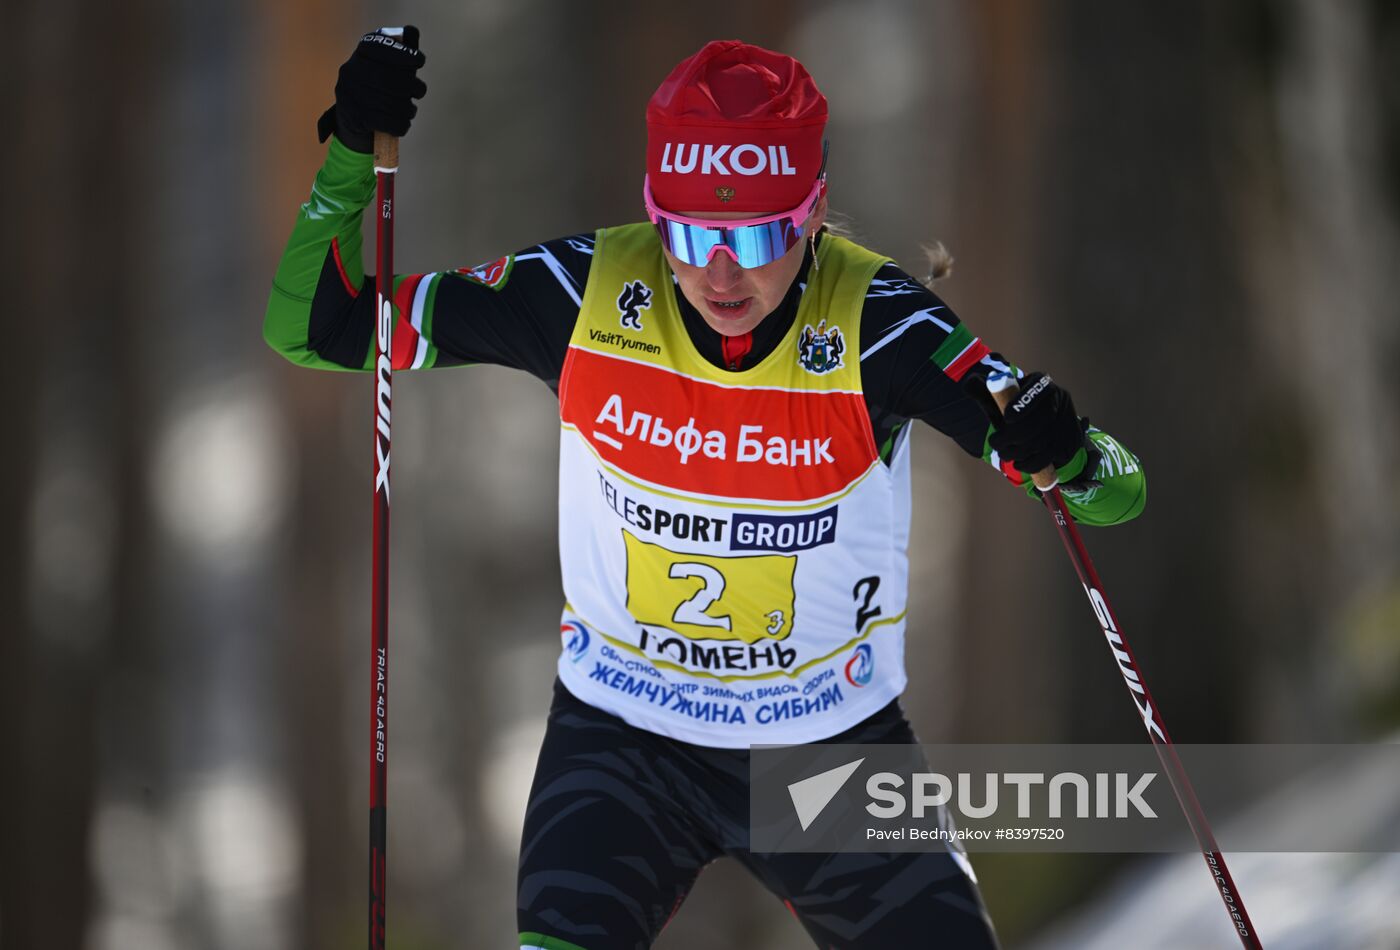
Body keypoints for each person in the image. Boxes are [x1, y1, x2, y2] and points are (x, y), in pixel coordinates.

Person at [266, 28, 1146, 950]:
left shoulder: (878, 326)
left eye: (758, 235)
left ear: (813, 212)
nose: (720, 274)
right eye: (688, 235)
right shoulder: (587, 295)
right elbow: (315, 328)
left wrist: (1072, 452)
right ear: (654, 214)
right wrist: (350, 153)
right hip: (624, 741)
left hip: (825, 748)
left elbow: (1114, 494)